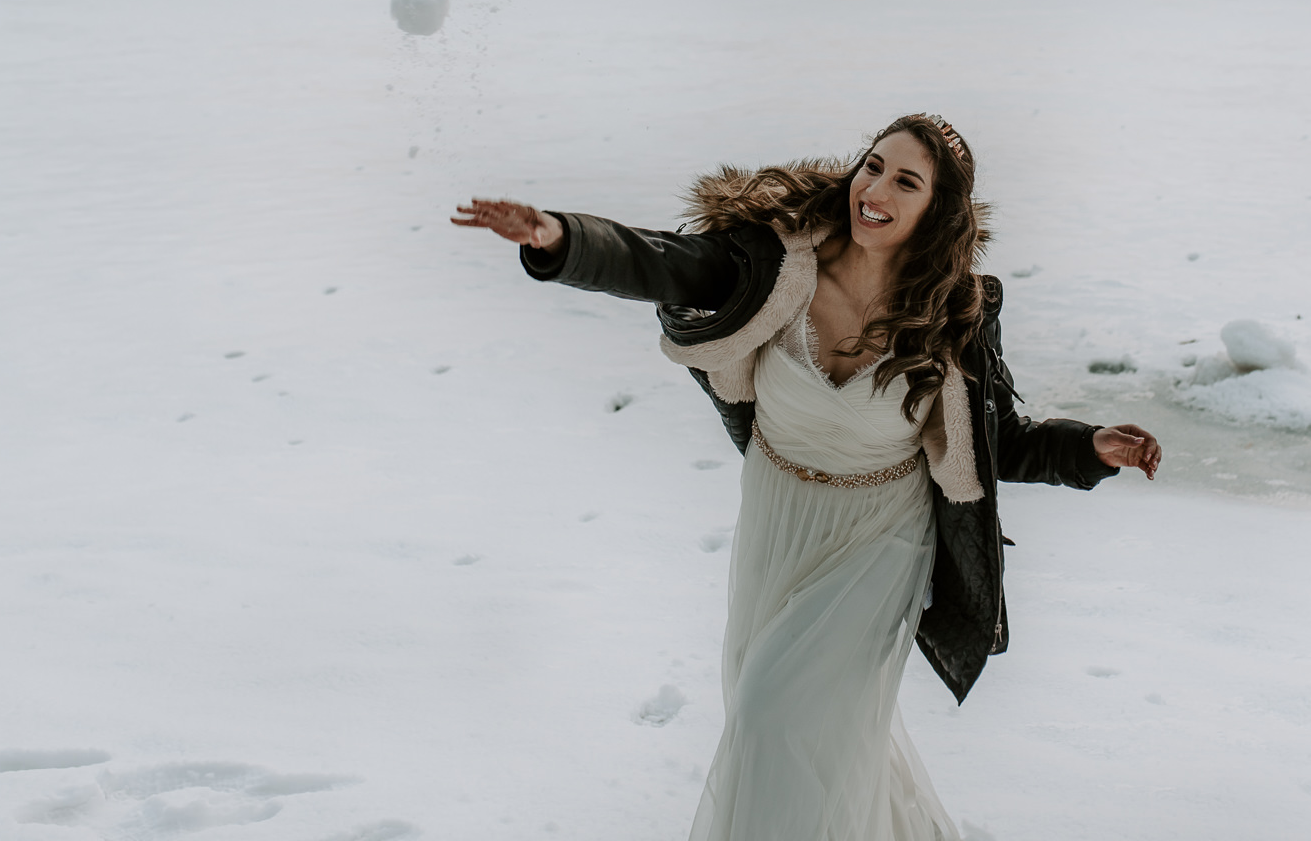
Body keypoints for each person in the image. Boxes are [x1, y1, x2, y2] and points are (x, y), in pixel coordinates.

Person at [453, 113, 1162, 841]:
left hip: (880, 538)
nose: (875, 188)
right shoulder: (774, 262)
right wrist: (559, 237)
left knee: (773, 718)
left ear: (938, 214)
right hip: (778, 514)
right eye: (874, 165)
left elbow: (993, 443)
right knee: (807, 732)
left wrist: (1088, 448)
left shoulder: (951, 314)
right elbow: (662, 261)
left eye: (906, 181)